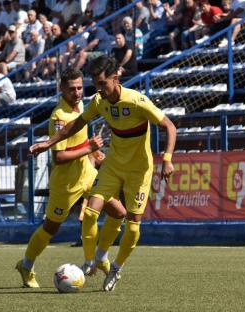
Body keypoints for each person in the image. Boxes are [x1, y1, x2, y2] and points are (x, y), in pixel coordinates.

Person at [29, 56, 177, 291]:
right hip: (113, 167)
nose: (98, 90)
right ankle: (91, 261)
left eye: (102, 84)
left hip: (139, 171)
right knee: (89, 213)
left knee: (133, 226)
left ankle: (116, 268)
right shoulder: (100, 101)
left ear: (115, 79)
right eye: (95, 85)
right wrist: (49, 143)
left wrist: (167, 160)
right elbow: (75, 124)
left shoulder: (137, 101)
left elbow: (170, 126)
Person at [15, 68, 126, 288]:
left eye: (79, 88)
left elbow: (82, 140)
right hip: (65, 183)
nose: (77, 93)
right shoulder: (59, 116)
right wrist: (89, 148)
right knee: (51, 228)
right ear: (61, 89)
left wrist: (94, 153)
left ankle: (98, 257)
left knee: (119, 212)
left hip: (88, 174)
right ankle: (26, 264)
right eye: (71, 89)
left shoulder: (84, 105)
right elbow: (59, 157)